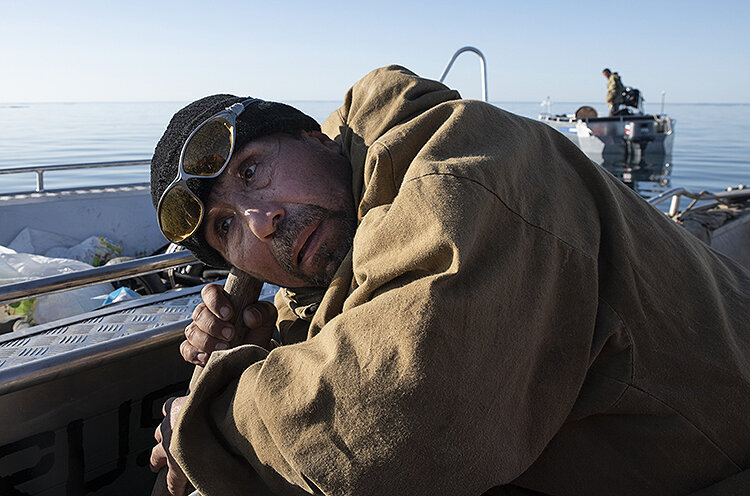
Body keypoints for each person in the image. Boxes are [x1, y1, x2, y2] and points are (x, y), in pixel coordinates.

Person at [149, 65, 750, 496]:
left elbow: (396, 415)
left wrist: (210, 423)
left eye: (253, 171)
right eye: (226, 228)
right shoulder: (339, 257)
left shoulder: (465, 162)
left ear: (315, 136)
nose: (261, 221)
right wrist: (255, 352)